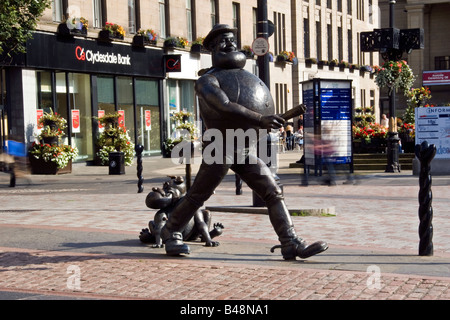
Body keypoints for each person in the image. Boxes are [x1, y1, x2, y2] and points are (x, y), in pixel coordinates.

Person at [160, 24, 328, 260]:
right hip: (221, 146)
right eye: (223, 41)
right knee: (199, 194)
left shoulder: (240, 75)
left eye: (232, 40)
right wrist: (261, 118)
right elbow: (224, 105)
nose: (230, 44)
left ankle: (290, 242)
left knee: (273, 192)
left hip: (243, 145)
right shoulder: (206, 81)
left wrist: (263, 121)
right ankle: (171, 230)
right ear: (212, 49)